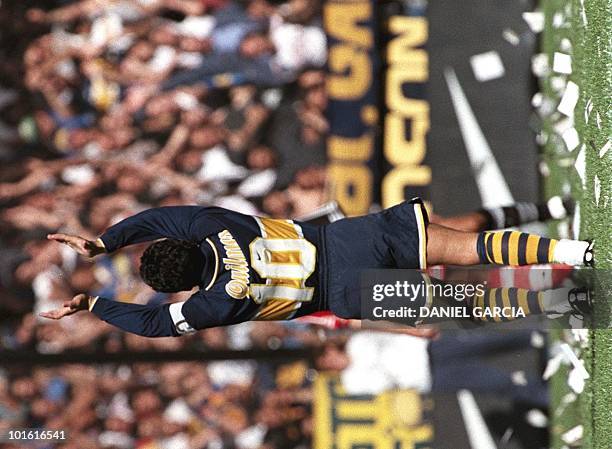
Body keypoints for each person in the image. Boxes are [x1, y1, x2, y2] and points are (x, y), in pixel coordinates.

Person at [41, 199, 594, 336]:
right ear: (181, 243)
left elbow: (154, 325)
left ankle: (564, 303)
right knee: (471, 248)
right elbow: (163, 215)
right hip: (348, 239)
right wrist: (106, 241)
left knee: (467, 302)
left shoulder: (208, 305)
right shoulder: (213, 225)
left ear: (181, 286)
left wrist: (95, 305)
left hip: (347, 295)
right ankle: (570, 253)